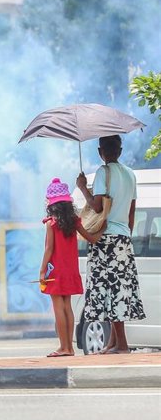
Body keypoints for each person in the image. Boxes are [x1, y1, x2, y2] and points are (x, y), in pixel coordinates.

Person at [76, 135, 146, 354]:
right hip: (124, 239)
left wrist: (82, 188)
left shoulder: (102, 172)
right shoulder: (130, 174)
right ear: (121, 150)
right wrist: (126, 234)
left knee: (110, 290)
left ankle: (122, 344)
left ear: (100, 151)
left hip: (106, 239)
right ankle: (113, 343)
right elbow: (132, 209)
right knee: (120, 289)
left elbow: (97, 207)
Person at [39, 178, 105, 357]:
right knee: (67, 306)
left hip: (55, 270)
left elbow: (49, 249)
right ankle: (70, 348)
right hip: (71, 270)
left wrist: (42, 271)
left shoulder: (51, 223)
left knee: (58, 308)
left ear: (52, 204)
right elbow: (92, 239)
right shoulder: (75, 221)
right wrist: (103, 227)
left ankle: (63, 347)